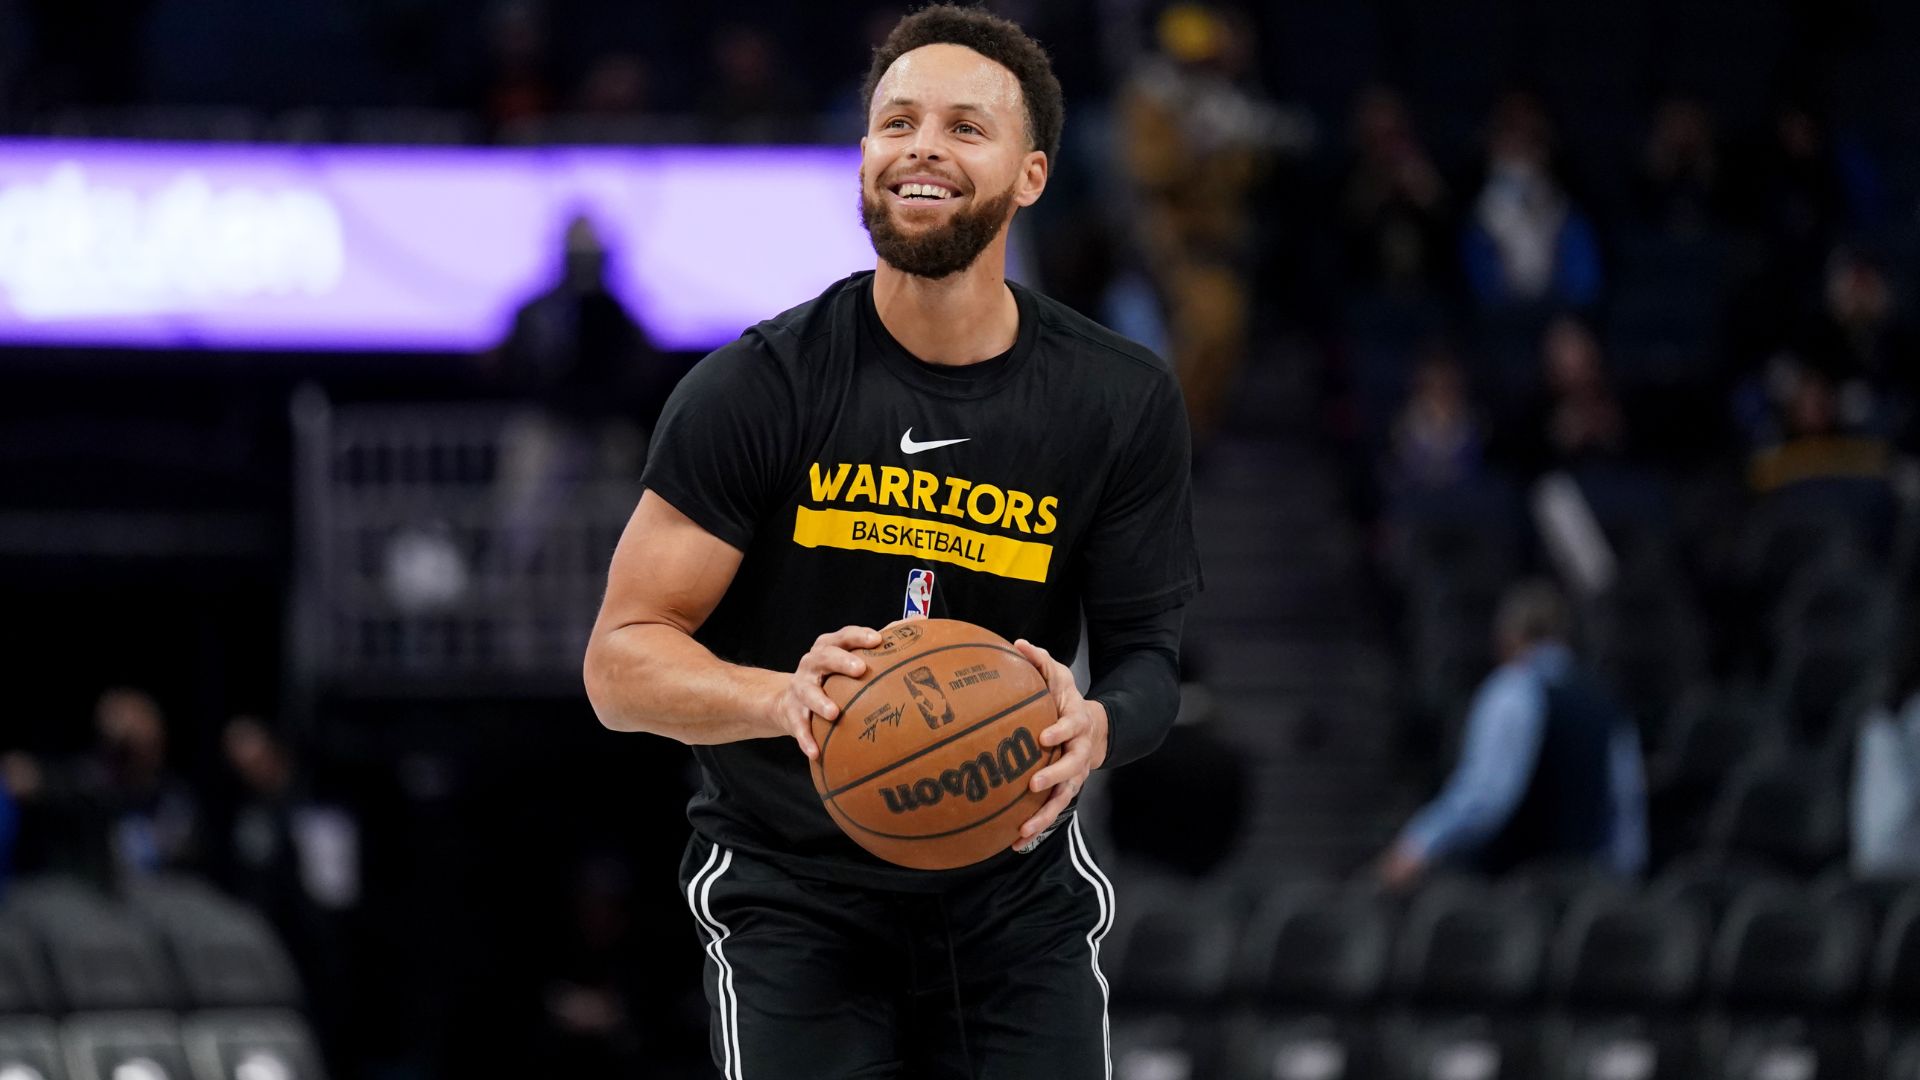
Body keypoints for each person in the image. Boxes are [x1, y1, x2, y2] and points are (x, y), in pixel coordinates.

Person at [581, 7, 1201, 1077]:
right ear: (864, 156)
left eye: (966, 127)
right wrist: (784, 699)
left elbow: (1149, 660)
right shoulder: (757, 388)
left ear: (1032, 175)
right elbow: (619, 664)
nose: (922, 147)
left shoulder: (1118, 398)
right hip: (796, 890)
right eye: (897, 122)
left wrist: (1096, 725)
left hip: (1012, 894)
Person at [1377, 580, 1646, 887]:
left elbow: (1485, 796)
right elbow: (1626, 805)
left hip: (1516, 887)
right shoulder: (1605, 701)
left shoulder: (1514, 691)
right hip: (1584, 886)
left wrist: (1419, 843)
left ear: (1511, 636)